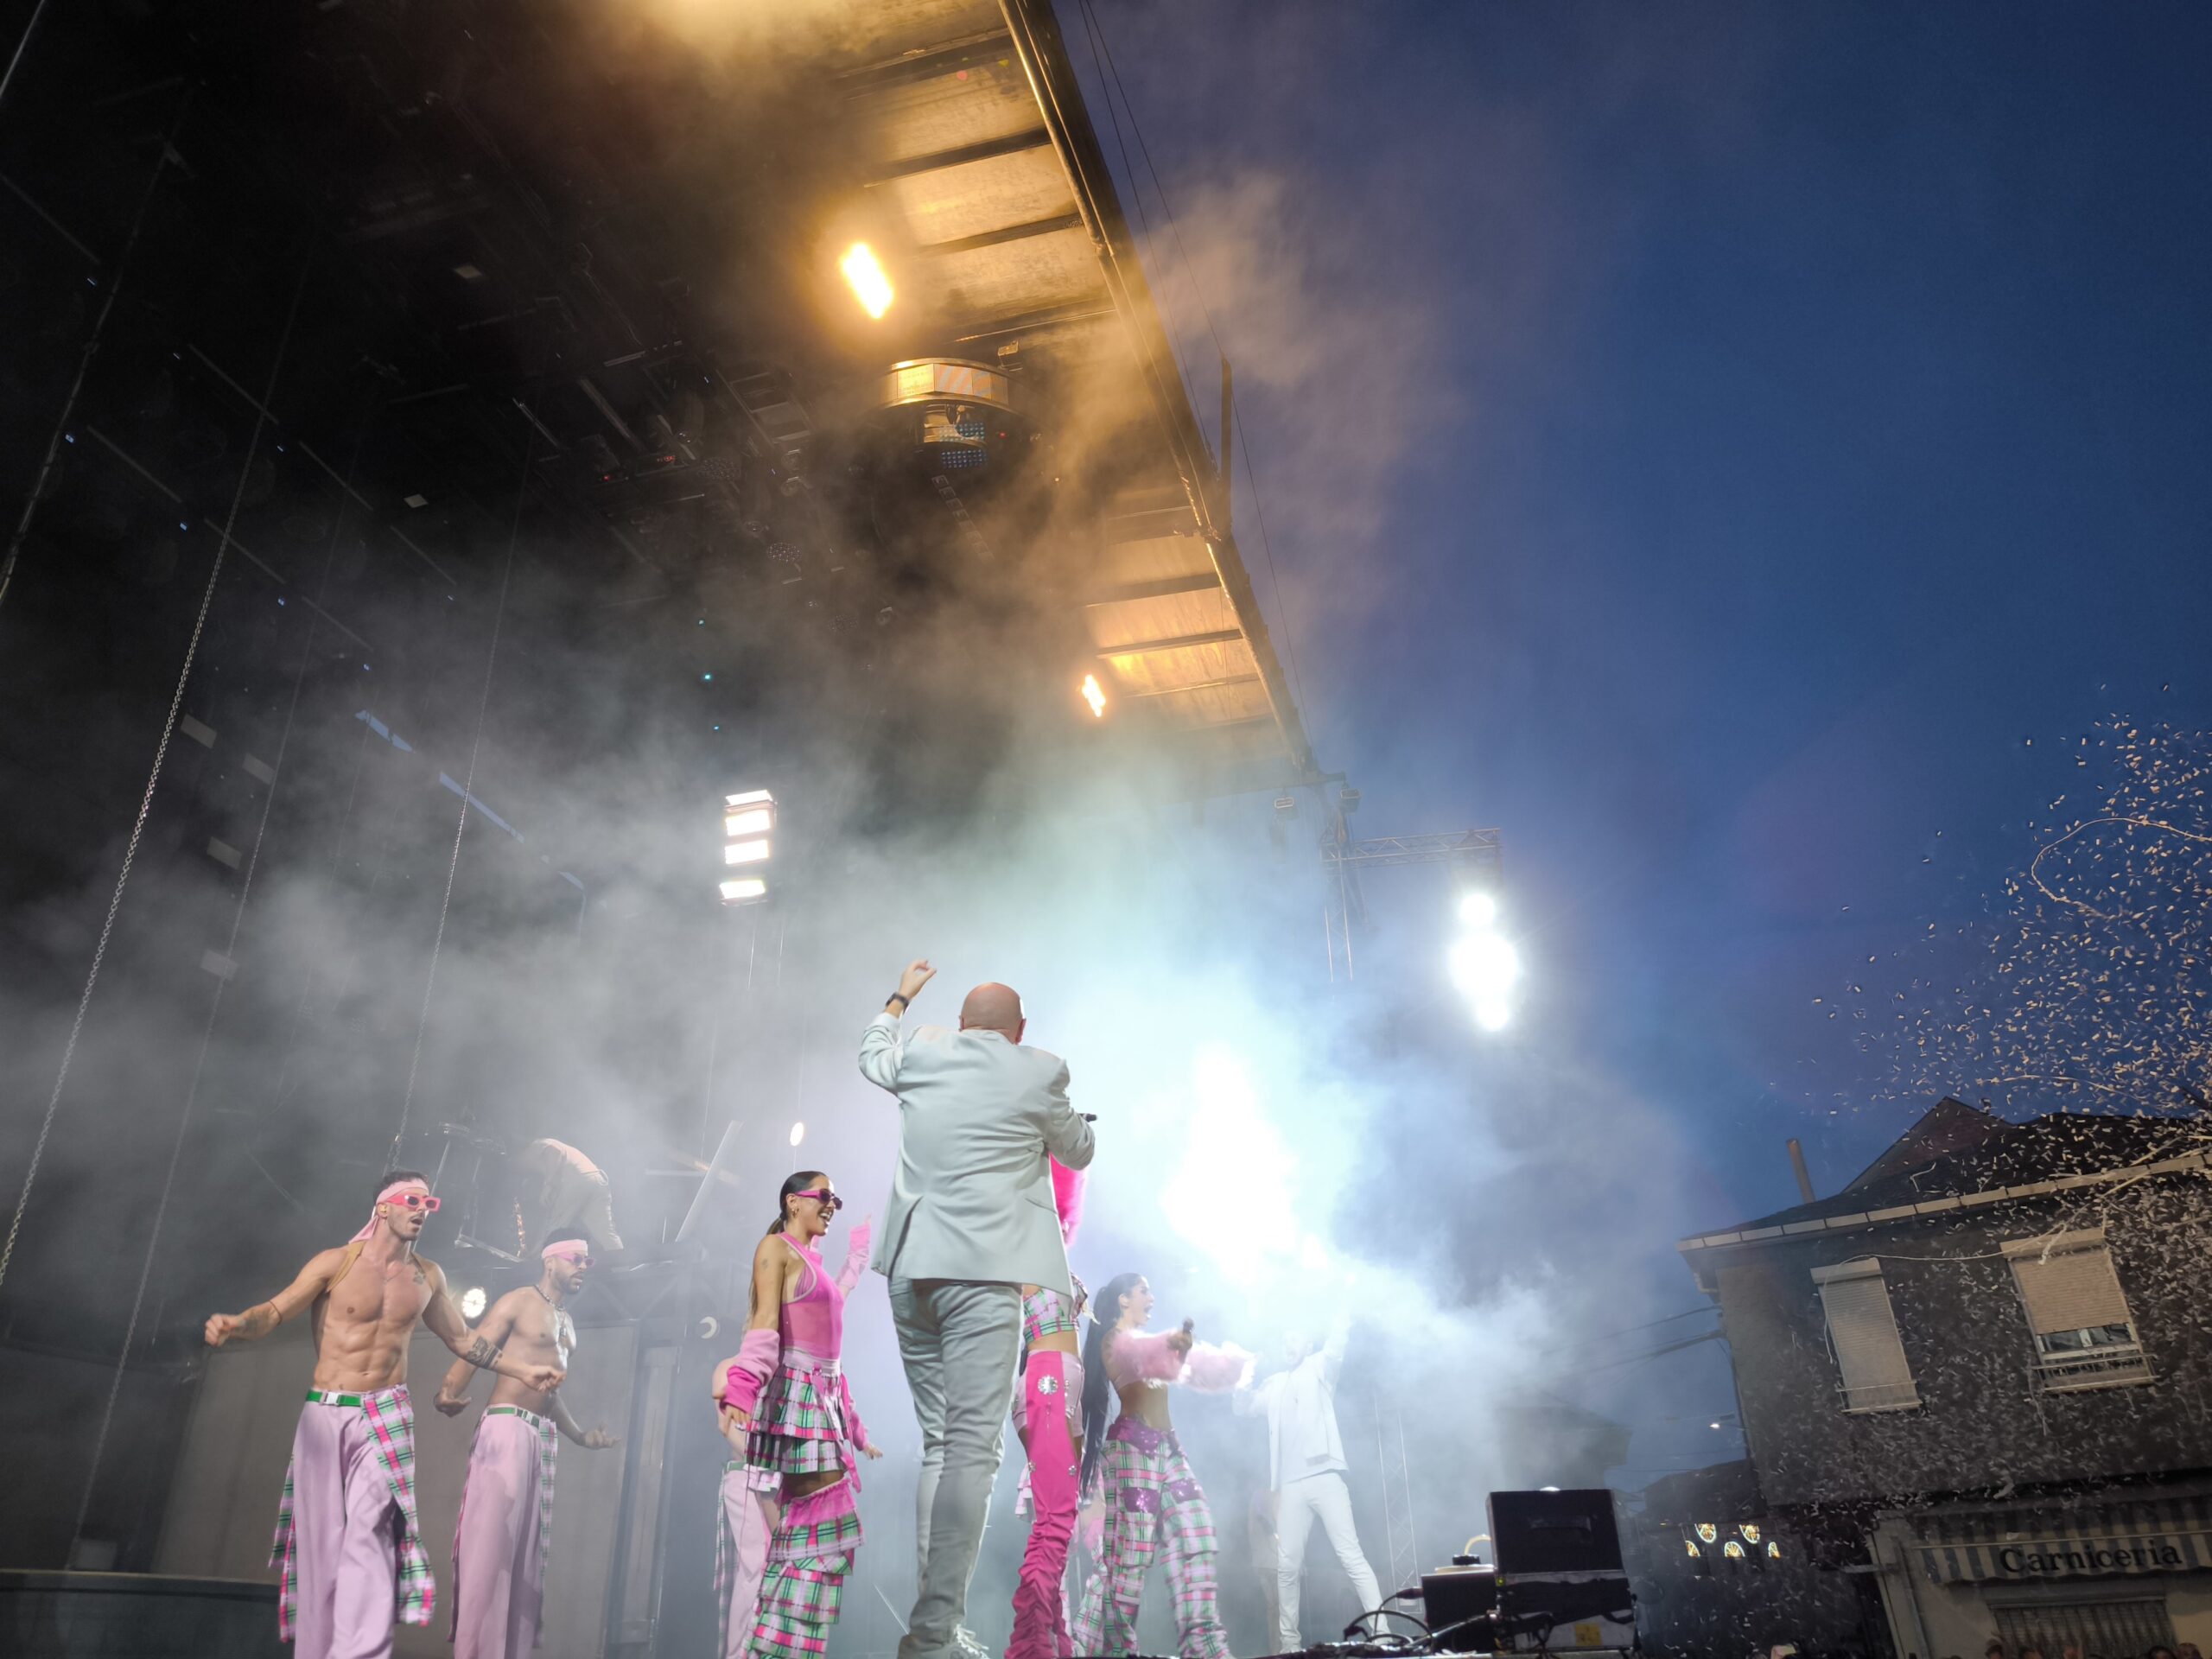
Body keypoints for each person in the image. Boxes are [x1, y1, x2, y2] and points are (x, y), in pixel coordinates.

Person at [204, 1171, 564, 1659]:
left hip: (384, 1412)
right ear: (382, 1208)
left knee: (371, 1533)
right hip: (325, 1414)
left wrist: (524, 1367)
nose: (422, 1210)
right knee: (321, 1547)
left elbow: (463, 1340)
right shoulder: (335, 1263)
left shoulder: (427, 1276)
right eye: (412, 1200)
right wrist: (237, 1324)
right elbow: (274, 1311)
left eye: (428, 1203)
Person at [857, 959, 1096, 1659]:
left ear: (962, 1026)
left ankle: (940, 1627)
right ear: (1019, 1032)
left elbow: (870, 1052)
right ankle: (932, 1634)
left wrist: (899, 996)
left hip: (910, 1271)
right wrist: (1077, 1121)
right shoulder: (1040, 1070)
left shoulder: (925, 1048)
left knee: (941, 1445)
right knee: (972, 1451)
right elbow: (1077, 1152)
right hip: (983, 1274)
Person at [714, 1170, 881, 1659]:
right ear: (793, 1202)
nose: (832, 1205)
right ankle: (775, 1649)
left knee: (811, 1540)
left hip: (822, 1402)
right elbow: (766, 1326)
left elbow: (836, 1307)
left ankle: (775, 1648)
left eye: (837, 1199)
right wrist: (742, 1389)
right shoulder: (776, 1251)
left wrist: (857, 1255)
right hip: (799, 1402)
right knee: (819, 1539)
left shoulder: (814, 1265)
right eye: (824, 1196)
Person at [432, 1230, 619, 1659]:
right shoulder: (519, 1300)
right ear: (550, 1260)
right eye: (576, 1258)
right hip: (506, 1429)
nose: (583, 1268)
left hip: (540, 1435)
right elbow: (475, 1345)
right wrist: (448, 1388)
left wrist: (580, 1436)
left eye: (589, 1262)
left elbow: (549, 1392)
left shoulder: (566, 1322)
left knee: (524, 1559)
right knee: (489, 1550)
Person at [1071, 1274, 1250, 1659]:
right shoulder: (1112, 1341)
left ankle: (1204, 1645)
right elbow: (1139, 1353)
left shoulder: (1145, 1345)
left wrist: (1221, 1363)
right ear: (1123, 1300)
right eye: (1144, 1291)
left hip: (1169, 1450)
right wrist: (1170, 1345)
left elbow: (1175, 1361)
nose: (1152, 1298)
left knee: (1196, 1537)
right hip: (1131, 1450)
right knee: (1126, 1562)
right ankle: (1109, 1649)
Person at [1235, 1312, 1382, 1649]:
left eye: (1295, 1338)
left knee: (1350, 1555)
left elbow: (1336, 1349)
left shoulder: (1319, 1367)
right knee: (1287, 1565)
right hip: (1291, 1485)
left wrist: (1343, 1315)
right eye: (1284, 1340)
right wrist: (1244, 1377)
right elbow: (1244, 1408)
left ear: (1308, 1344)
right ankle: (1289, 1644)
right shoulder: (1273, 1383)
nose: (1288, 1345)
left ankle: (1381, 1629)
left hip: (1325, 1476)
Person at [1007, 1159, 1090, 1659]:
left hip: (1061, 1384)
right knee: (1055, 1521)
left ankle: (1055, 1640)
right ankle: (1033, 1644)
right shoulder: (1024, 1253)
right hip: (1048, 1378)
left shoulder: (1049, 1249)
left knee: (1060, 1516)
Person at [518, 1139, 623, 1256]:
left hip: (577, 1181)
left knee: (555, 1229)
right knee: (606, 1233)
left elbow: (554, 1151)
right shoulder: (561, 1159)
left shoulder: (535, 1146)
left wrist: (549, 1182)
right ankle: (622, 1269)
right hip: (597, 1179)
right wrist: (538, 1244)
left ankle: (540, 1267)